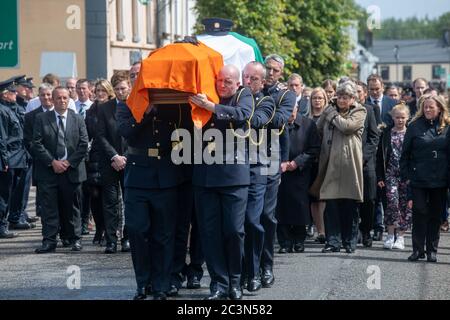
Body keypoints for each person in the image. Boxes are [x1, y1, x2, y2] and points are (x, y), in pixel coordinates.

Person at [117, 80, 188, 300]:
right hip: (137, 176)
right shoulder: (128, 104)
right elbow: (125, 131)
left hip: (166, 175)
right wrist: (144, 112)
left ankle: (161, 285)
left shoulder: (173, 103)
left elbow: (186, 130)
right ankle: (142, 282)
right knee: (137, 230)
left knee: (163, 235)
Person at [188, 64, 253, 300]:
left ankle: (236, 281)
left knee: (234, 231)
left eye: (228, 81)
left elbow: (242, 115)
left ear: (237, 83)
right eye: (220, 80)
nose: (222, 85)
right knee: (210, 232)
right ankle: (218, 283)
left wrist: (210, 106)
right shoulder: (207, 93)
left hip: (233, 175)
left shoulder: (242, 96)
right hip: (205, 175)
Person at [310, 81, 366, 253]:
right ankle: (332, 242)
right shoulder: (329, 111)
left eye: (346, 97)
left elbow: (348, 127)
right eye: (339, 96)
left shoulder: (359, 110)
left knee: (349, 205)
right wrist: (329, 113)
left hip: (350, 163)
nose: (342, 100)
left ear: (352, 98)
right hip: (330, 162)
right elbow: (318, 129)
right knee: (331, 205)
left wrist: (332, 115)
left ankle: (349, 242)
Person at [32, 87, 88, 253]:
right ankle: (49, 241)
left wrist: (69, 163)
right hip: (49, 172)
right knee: (49, 209)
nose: (62, 101)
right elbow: (36, 143)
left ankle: (75, 239)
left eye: (64, 98)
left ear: (69, 98)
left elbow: (84, 144)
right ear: (52, 100)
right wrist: (52, 162)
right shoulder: (41, 118)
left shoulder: (77, 119)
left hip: (72, 171)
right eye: (58, 98)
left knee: (73, 208)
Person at [400, 94, 450, 263]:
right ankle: (417, 249)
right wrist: (406, 176)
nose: (427, 110)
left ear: (440, 109)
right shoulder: (414, 126)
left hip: (440, 179)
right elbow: (405, 154)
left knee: (435, 215)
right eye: (425, 107)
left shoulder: (447, 127)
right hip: (418, 178)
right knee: (419, 212)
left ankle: (432, 250)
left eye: (431, 107)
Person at [261, 54, 296, 288]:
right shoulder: (252, 89)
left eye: (275, 70)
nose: (270, 73)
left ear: (281, 73)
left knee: (266, 215)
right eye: (268, 68)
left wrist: (284, 159)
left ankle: (266, 267)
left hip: (271, 158)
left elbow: (280, 123)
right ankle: (249, 267)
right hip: (247, 157)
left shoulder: (285, 94)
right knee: (249, 217)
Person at [241, 61, 275, 292]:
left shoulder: (266, 101)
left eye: (253, 79)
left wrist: (233, 111)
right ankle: (238, 273)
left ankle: (255, 272)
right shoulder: (234, 98)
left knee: (254, 220)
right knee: (235, 225)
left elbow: (258, 121)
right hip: (232, 167)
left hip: (257, 168)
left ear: (262, 82)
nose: (248, 82)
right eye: (245, 77)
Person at [276, 103, 320, 253]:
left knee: (300, 207)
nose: (290, 113)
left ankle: (299, 240)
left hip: (300, 172)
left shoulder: (308, 124)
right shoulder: (276, 123)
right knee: (280, 208)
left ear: (297, 108)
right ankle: (284, 242)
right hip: (279, 172)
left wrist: (296, 162)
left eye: (292, 109)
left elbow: (314, 149)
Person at [97, 72, 130, 254]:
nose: (120, 92)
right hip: (110, 162)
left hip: (129, 161)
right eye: (116, 89)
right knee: (110, 202)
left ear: (129, 87)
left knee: (129, 202)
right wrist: (114, 156)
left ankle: (127, 238)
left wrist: (125, 157)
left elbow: (136, 134)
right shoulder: (105, 108)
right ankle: (111, 240)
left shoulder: (135, 105)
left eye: (123, 88)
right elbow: (100, 135)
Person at [376, 104, 412, 250]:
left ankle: (401, 237)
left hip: (406, 176)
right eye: (397, 117)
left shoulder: (411, 133)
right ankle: (390, 235)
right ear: (392, 117)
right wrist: (380, 177)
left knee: (404, 205)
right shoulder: (386, 133)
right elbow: (379, 157)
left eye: (403, 117)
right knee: (392, 203)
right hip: (390, 174)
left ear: (407, 118)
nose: (400, 120)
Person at [85, 79, 116, 245]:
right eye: (97, 90)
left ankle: (111, 230)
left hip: (111, 154)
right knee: (95, 196)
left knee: (110, 197)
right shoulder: (91, 110)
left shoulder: (114, 108)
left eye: (103, 90)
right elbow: (87, 133)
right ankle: (100, 228)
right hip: (95, 155)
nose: (100, 93)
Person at [0, 78, 28, 238]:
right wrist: (4, 160)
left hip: (15, 157)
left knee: (9, 193)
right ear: (4, 95)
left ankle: (3, 223)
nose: (15, 93)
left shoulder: (8, 109)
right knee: (3, 194)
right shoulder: (2, 111)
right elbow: (2, 138)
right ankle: (1, 226)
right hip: (9, 158)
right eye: (11, 91)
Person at [23, 83, 55, 222]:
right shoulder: (31, 116)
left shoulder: (65, 114)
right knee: (45, 201)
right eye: (43, 95)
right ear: (39, 97)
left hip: (63, 163)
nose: (46, 97)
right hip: (42, 164)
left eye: (49, 94)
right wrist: (46, 158)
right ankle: (47, 233)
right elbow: (29, 141)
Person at [356, 80, 379, 248]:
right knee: (352, 198)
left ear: (364, 94)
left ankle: (366, 230)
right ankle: (354, 231)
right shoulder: (345, 111)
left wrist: (363, 156)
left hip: (366, 163)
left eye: (358, 91)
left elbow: (374, 137)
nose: (356, 94)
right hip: (348, 164)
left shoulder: (370, 110)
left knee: (369, 199)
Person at [307, 87, 328, 243]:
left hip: (326, 161)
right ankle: (319, 231)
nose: (317, 100)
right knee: (314, 198)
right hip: (310, 162)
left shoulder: (328, 118)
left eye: (320, 98)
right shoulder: (306, 118)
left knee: (325, 198)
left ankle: (327, 230)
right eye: (315, 97)